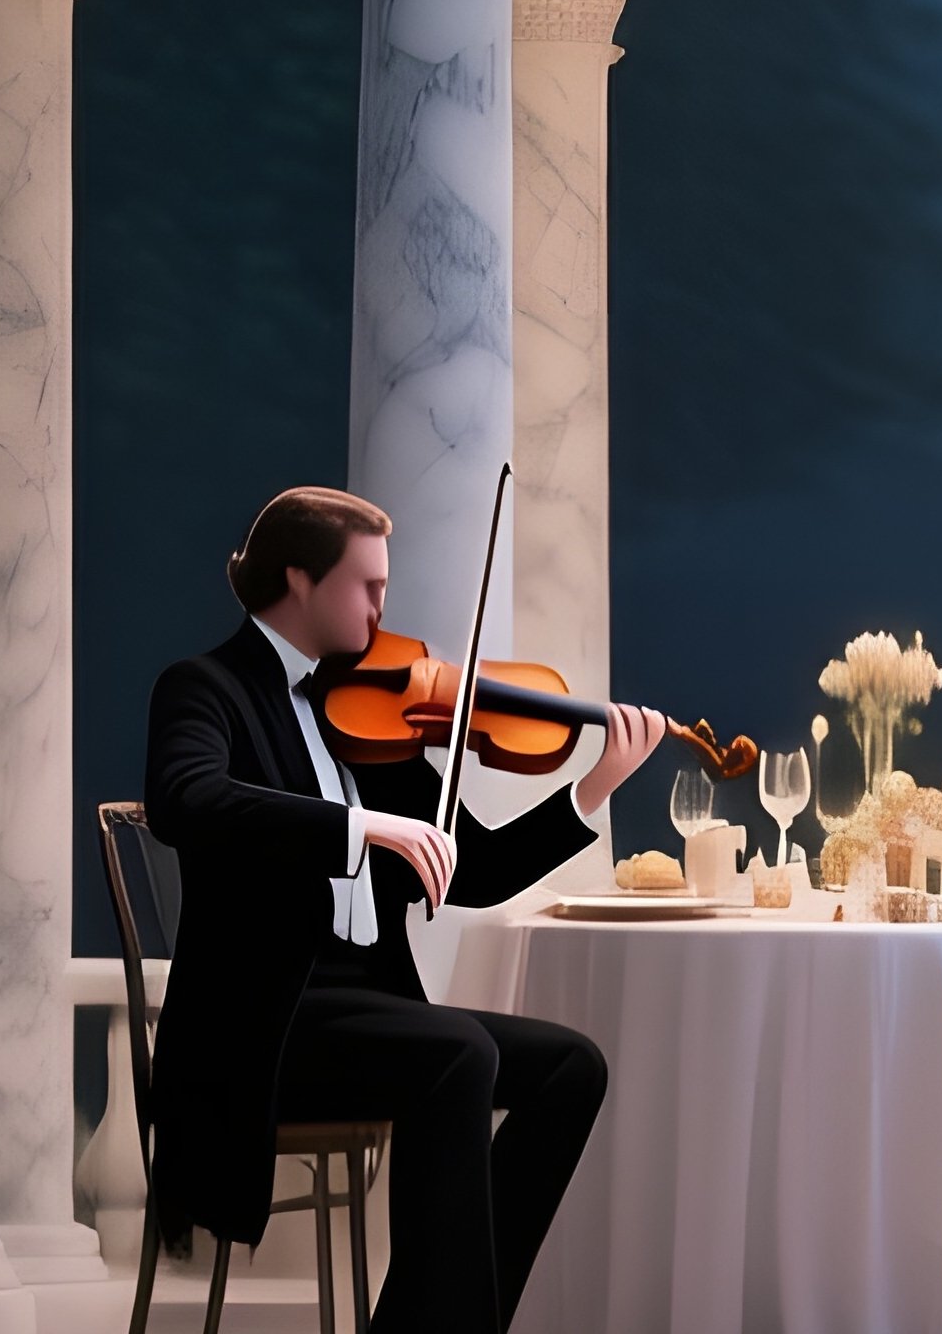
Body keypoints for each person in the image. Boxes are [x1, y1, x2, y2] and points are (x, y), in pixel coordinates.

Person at [144, 485, 666, 1333]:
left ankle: (436, 1323)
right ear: (300, 581)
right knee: (456, 1052)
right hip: (265, 1024)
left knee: (573, 1068)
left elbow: (475, 868)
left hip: (367, 1010)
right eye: (368, 586)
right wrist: (356, 826)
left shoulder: (365, 709)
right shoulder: (205, 688)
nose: (385, 607)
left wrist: (593, 788)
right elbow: (185, 798)